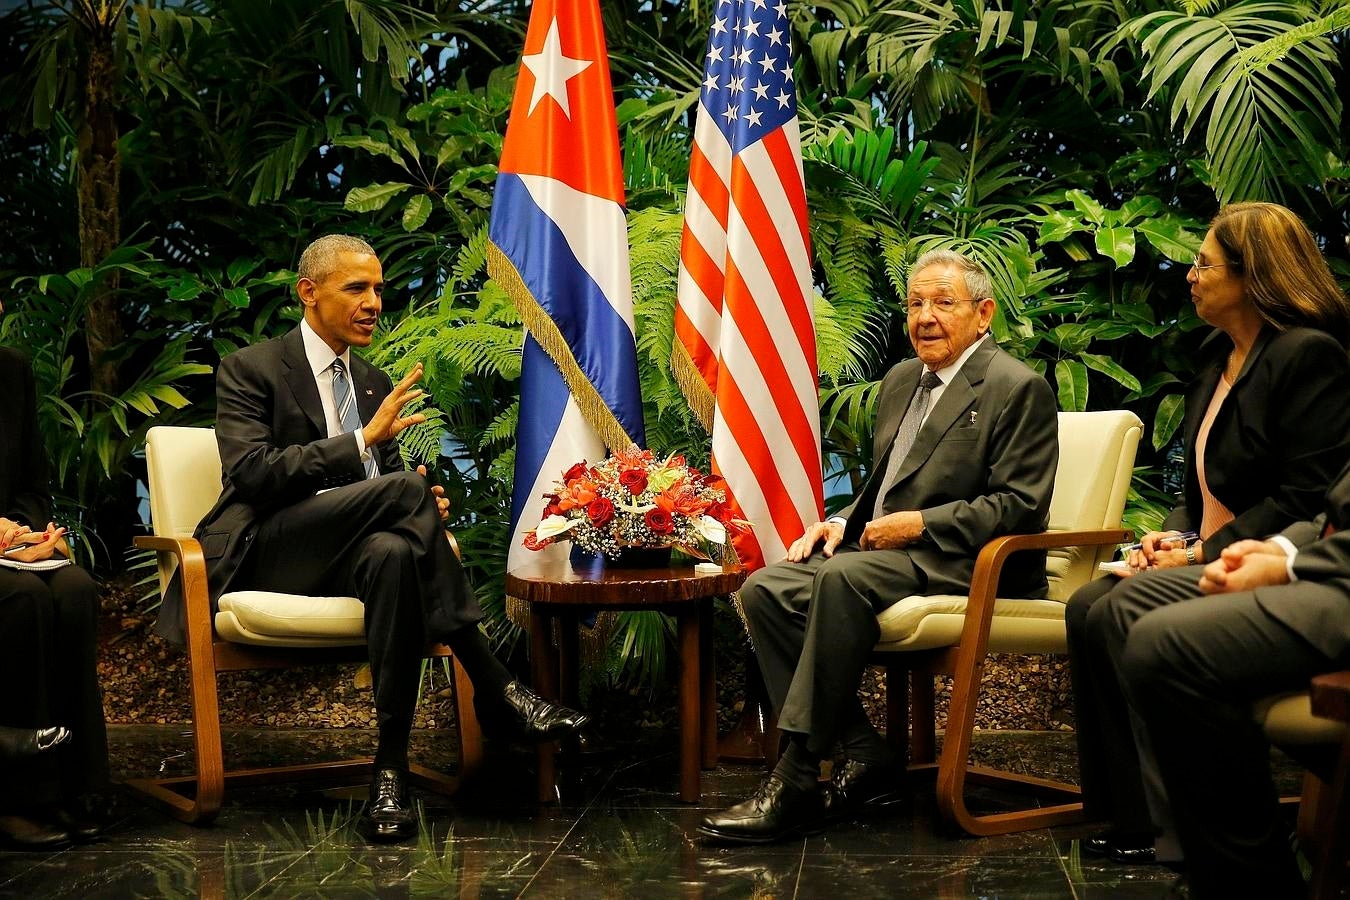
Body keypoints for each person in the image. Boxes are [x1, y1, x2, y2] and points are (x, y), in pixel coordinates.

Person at [152, 235, 590, 844]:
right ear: (309, 292)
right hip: (269, 549)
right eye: (356, 288)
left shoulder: (373, 379)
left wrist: (412, 499)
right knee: (406, 499)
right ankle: (496, 685)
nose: (373, 302)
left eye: (379, 289)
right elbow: (254, 474)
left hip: (351, 553)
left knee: (393, 550)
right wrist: (361, 447)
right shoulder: (250, 368)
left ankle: (390, 771)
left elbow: (381, 488)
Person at [699, 249, 1059, 844]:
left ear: (984, 313)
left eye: (944, 303)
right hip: (892, 558)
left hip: (971, 562)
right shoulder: (899, 381)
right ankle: (866, 751)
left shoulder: (1017, 387)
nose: (925, 317)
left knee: (842, 580)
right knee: (766, 587)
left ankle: (795, 777)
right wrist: (841, 522)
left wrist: (919, 525)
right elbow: (887, 482)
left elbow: (1019, 506)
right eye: (915, 303)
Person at [1066, 202, 1350, 864]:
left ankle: (1185, 829)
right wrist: (1170, 537)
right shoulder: (1214, 359)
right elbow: (1193, 490)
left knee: (1119, 613)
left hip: (1263, 557)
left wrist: (1203, 552)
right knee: (1086, 606)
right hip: (1209, 551)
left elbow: (1307, 495)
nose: (1189, 275)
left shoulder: (1307, 357)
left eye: (1202, 263)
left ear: (1251, 276)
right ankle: (1130, 816)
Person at [1114, 459, 1350, 898]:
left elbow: (1299, 492)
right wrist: (1280, 549)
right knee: (1130, 601)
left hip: (1339, 583)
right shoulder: (1204, 387)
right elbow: (1333, 512)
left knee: (1166, 643)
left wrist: (1289, 565)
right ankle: (1184, 847)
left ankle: (1249, 883)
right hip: (1322, 562)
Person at [0, 338, 109, 849]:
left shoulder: (11, 369)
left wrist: (25, 532)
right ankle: (21, 796)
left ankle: (78, 783)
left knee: (73, 589)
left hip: (8, 547)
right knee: (24, 600)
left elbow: (32, 480)